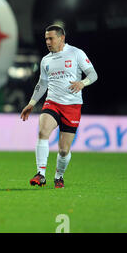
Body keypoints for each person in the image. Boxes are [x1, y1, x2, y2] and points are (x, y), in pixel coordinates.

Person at [20, 24, 98, 188]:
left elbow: (93, 74)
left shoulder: (76, 53)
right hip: (52, 102)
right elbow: (42, 84)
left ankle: (59, 176)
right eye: (46, 38)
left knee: (63, 150)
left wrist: (82, 83)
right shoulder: (46, 60)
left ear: (61, 38)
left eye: (51, 38)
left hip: (72, 106)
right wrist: (31, 103)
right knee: (43, 132)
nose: (48, 42)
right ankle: (40, 174)